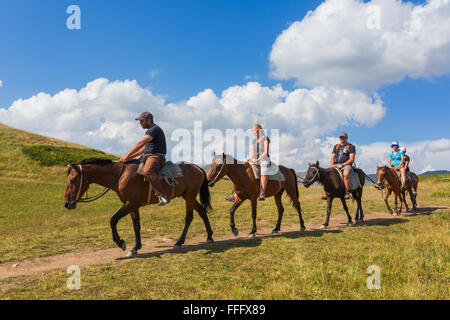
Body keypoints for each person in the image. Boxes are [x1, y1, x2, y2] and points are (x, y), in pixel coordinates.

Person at [120, 112, 170, 206]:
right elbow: (143, 149)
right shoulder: (150, 131)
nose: (140, 123)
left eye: (142, 121)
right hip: (147, 156)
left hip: (156, 157)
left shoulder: (154, 130)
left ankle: (162, 196)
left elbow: (140, 143)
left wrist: (126, 155)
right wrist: (129, 158)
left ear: (149, 120)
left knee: (148, 171)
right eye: (140, 121)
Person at [247, 124, 271, 201]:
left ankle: (262, 193)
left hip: (264, 159)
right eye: (252, 131)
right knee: (246, 169)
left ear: (260, 129)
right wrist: (249, 159)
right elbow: (252, 153)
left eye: (255, 130)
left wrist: (258, 159)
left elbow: (265, 152)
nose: (253, 132)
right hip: (255, 161)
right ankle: (236, 194)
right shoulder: (254, 141)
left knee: (263, 172)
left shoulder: (265, 138)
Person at [329, 132, 356, 200]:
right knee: (326, 174)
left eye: (343, 137)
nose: (342, 138)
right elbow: (332, 157)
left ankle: (347, 192)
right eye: (340, 137)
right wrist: (332, 165)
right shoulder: (336, 146)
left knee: (346, 173)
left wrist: (342, 165)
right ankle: (328, 192)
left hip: (346, 165)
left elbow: (351, 159)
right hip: (335, 165)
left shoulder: (351, 146)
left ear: (346, 138)